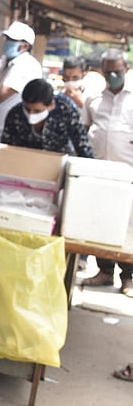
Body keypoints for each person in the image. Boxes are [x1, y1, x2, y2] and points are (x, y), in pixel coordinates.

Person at [80, 49, 133, 297]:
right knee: (100, 224)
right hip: (98, 174)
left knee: (127, 229)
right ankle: (104, 271)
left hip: (128, 174)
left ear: (126, 68)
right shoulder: (94, 98)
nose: (113, 75)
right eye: (108, 71)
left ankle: (128, 277)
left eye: (117, 71)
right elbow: (84, 128)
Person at [0, 78, 93, 157]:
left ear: (51, 105)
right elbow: (6, 148)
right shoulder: (15, 114)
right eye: (27, 109)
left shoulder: (66, 109)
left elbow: (82, 145)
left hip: (57, 161)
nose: (31, 114)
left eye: (37, 111)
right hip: (24, 161)